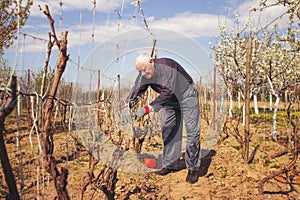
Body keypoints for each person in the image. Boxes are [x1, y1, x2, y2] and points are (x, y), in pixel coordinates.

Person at [121, 53, 201, 184]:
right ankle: (170, 164)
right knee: (168, 128)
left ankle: (193, 168)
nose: (142, 73)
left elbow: (168, 91)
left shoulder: (167, 66)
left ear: (152, 62)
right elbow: (137, 90)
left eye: (144, 70)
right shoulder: (144, 74)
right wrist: (127, 105)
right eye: (139, 71)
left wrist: (147, 109)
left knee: (192, 132)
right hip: (170, 102)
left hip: (187, 96)